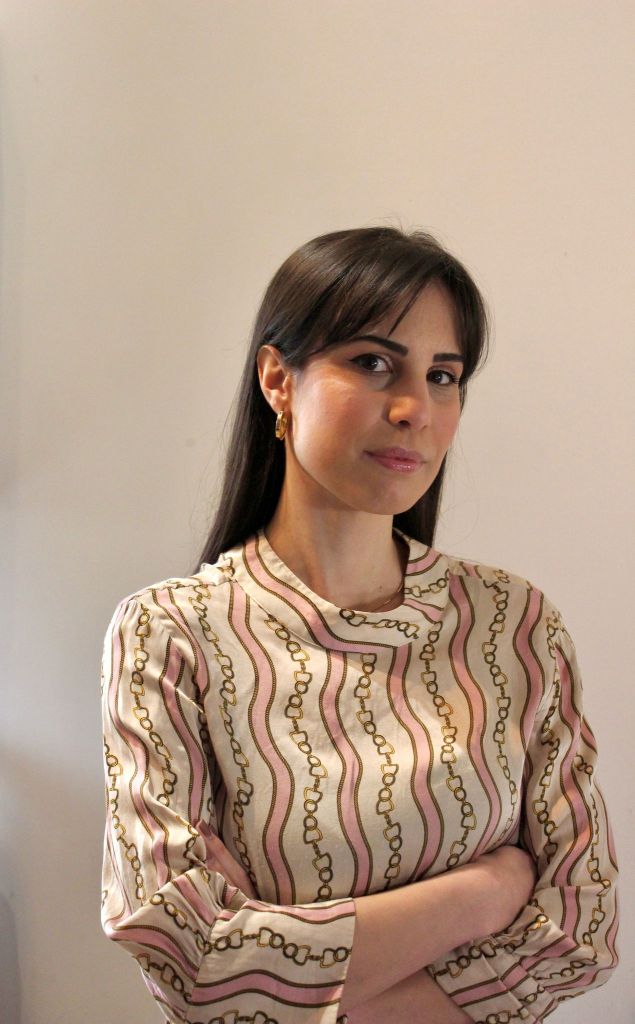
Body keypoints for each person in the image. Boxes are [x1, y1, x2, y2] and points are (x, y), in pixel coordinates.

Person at [100, 226, 619, 1024]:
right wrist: (486, 892)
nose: (414, 409)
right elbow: (191, 961)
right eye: (373, 363)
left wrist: (287, 973)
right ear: (278, 379)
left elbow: (580, 933)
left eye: (442, 376)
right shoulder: (171, 633)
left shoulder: (513, 626)